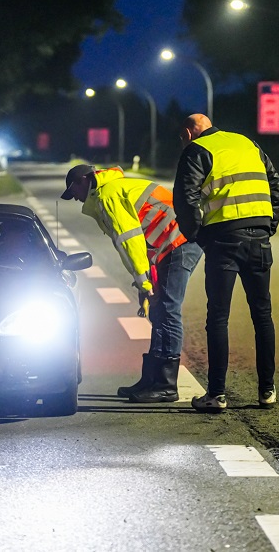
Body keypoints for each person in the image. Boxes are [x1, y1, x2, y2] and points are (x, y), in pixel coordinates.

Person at [61, 164, 203, 402]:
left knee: (167, 310)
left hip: (178, 242)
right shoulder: (111, 190)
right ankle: (151, 380)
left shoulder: (108, 196)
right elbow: (141, 241)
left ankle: (166, 385)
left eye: (73, 190)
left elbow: (130, 241)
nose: (74, 197)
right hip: (169, 244)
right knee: (159, 311)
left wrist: (143, 282)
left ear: (84, 180)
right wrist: (146, 281)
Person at [172, 114, 279, 412]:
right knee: (262, 314)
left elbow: (184, 197)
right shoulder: (247, 143)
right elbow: (275, 183)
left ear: (188, 133)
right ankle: (267, 391)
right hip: (259, 238)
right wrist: (268, 225)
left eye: (182, 138)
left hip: (223, 240)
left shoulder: (197, 150)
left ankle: (217, 395)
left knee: (218, 317)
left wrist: (198, 236)